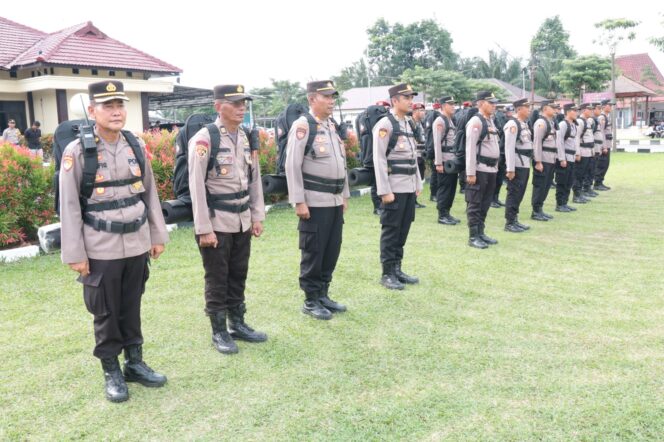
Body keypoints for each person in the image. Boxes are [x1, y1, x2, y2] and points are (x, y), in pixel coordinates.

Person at [59, 80, 169, 402]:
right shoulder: (77, 152)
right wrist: (75, 254)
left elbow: (150, 192)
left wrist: (157, 235)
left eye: (120, 105)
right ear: (92, 111)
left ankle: (135, 363)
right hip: (100, 247)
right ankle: (112, 371)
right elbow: (69, 206)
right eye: (108, 106)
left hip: (136, 243)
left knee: (132, 305)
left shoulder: (134, 144)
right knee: (106, 312)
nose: (116, 111)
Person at [188, 84, 267, 354]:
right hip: (216, 221)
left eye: (243, 102)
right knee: (217, 277)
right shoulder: (205, 138)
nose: (241, 107)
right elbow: (196, 186)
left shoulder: (245, 136)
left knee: (238, 273)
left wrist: (257, 215)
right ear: (218, 106)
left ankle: (238, 323)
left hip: (242, 219)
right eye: (234, 103)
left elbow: (254, 180)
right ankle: (219, 331)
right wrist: (203, 229)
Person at [285, 80, 349, 320]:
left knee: (331, 249)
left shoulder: (331, 126)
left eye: (333, 96)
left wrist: (344, 195)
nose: (332, 100)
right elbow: (292, 165)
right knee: (314, 250)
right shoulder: (303, 126)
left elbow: (341, 163)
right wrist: (298, 201)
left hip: (333, 200)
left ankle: (323, 294)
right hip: (314, 201)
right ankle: (311, 300)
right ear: (312, 99)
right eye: (327, 97)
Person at [372, 83, 422, 290]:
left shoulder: (408, 123)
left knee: (403, 229)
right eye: (406, 97)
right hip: (394, 188)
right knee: (391, 230)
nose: (411, 101)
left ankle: (397, 268)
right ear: (395, 100)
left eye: (411, 97)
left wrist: (418, 182)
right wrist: (384, 190)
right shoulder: (386, 124)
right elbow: (379, 159)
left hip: (409, 187)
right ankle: (387, 273)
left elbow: (413, 157)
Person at [465, 91, 501, 248]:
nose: (494, 105)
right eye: (490, 102)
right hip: (479, 169)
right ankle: (473, 237)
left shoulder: (490, 121)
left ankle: (481, 232)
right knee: (475, 203)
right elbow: (470, 148)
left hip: (491, 169)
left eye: (494, 103)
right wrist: (471, 172)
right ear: (480, 103)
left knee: (485, 203)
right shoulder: (476, 121)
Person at [503, 99, 533, 233]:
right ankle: (509, 222)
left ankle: (514, 219)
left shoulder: (523, 124)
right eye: (527, 107)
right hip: (516, 163)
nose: (529, 110)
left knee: (520, 192)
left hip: (524, 163)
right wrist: (510, 168)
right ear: (519, 109)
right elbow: (509, 147)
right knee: (514, 192)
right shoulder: (512, 124)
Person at [531, 100, 562, 221]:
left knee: (547, 185)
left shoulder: (551, 122)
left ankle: (540, 209)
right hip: (543, 159)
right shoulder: (541, 123)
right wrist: (538, 161)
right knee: (540, 185)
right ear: (545, 109)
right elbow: (537, 143)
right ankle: (536, 211)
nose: (555, 110)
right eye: (552, 107)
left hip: (551, 158)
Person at [432, 96, 460, 225]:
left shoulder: (450, 120)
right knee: (445, 188)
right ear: (443, 106)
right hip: (443, 161)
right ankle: (442, 215)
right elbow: (437, 143)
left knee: (451, 188)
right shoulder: (440, 120)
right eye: (450, 104)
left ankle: (447, 213)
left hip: (451, 161)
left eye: (454, 104)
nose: (453, 106)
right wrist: (438, 162)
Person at [555, 104, 579, 213]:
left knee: (569, 181)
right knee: (562, 182)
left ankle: (565, 203)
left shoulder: (573, 125)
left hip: (571, 157)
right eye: (574, 111)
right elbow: (559, 142)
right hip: (565, 158)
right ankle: (560, 204)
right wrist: (561, 158)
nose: (576, 113)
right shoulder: (563, 124)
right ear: (568, 112)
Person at [573, 104, 594, 204]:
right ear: (584, 110)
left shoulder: (587, 121)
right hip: (582, 151)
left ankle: (580, 193)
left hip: (588, 151)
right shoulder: (580, 121)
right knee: (579, 174)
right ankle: (576, 195)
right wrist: (577, 153)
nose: (591, 111)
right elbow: (576, 137)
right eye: (589, 109)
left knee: (583, 174)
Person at [411, 102, 427, 209]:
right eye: (421, 111)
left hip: (421, 155)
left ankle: (414, 200)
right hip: (413, 155)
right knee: (413, 178)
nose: (423, 113)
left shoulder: (420, 123)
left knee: (419, 178)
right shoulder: (410, 123)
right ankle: (412, 201)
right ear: (415, 111)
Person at [594, 99, 612, 191]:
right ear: (604, 106)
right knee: (602, 164)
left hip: (608, 145)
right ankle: (597, 183)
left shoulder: (606, 116)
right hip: (604, 146)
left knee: (605, 164)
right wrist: (603, 146)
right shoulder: (602, 117)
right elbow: (601, 132)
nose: (611, 107)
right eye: (609, 105)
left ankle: (600, 182)